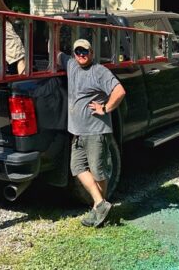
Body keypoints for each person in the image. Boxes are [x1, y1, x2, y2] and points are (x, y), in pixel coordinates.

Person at [58, 38, 126, 228]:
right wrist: (56, 28)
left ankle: (99, 209)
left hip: (95, 131)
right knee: (77, 167)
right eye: (78, 52)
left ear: (92, 53)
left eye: (85, 52)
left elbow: (119, 91)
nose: (82, 55)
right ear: (74, 54)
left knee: (98, 171)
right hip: (78, 132)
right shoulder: (71, 65)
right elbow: (54, 52)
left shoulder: (100, 71)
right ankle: (100, 204)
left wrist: (105, 108)